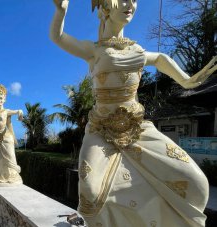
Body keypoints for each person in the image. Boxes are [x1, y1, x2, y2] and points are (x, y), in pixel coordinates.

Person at [50, 0, 217, 226]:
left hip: (138, 129)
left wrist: (185, 80)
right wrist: (61, 11)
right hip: (100, 130)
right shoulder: (94, 50)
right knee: (89, 192)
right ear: (106, 6)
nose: (130, 5)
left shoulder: (137, 50)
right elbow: (58, 37)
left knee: (195, 184)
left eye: (134, 0)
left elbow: (159, 59)